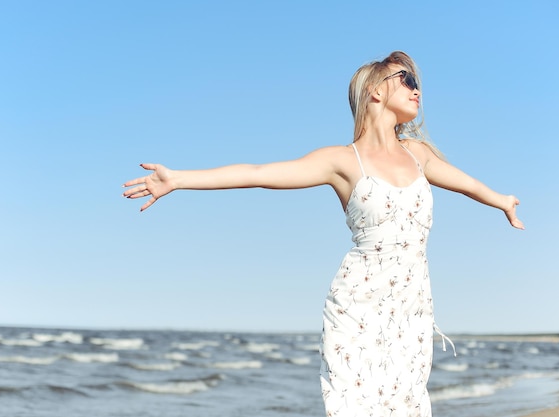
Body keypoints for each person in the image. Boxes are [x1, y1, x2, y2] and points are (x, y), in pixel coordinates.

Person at [122, 51, 524, 417]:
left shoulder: (419, 155)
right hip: (357, 307)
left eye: (417, 82)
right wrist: (178, 179)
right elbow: (259, 174)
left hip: (411, 309)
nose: (417, 90)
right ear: (375, 92)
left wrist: (502, 200)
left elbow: (468, 184)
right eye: (407, 80)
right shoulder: (342, 161)